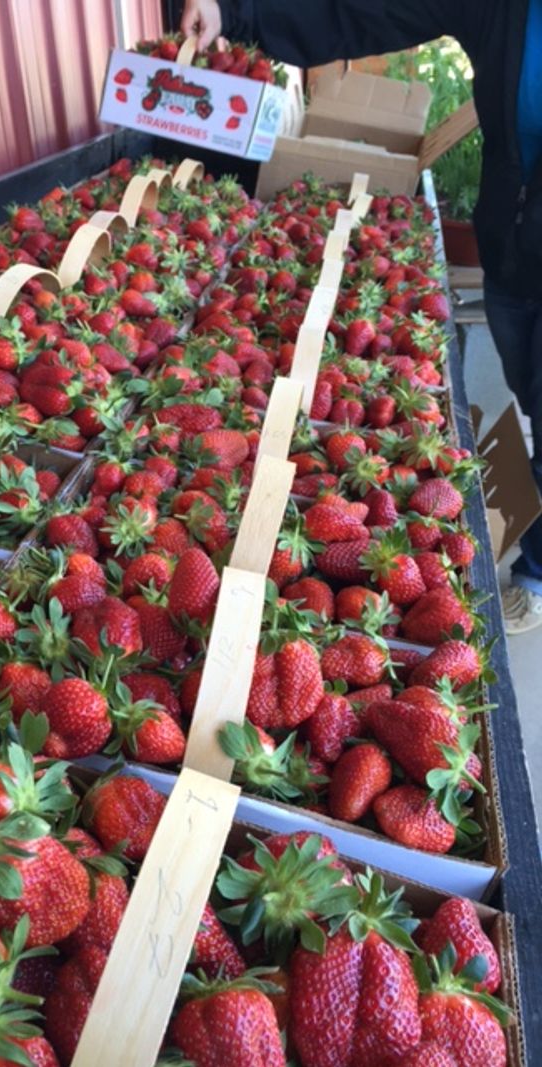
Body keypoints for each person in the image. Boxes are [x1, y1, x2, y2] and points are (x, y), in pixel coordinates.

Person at [181, 0, 542, 634]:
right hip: (513, 246)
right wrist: (235, 13)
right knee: (533, 390)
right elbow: (372, 10)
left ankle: (538, 570)